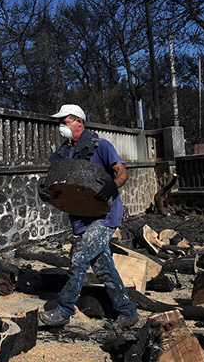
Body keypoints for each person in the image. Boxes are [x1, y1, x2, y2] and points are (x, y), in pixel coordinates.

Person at [38, 104, 139, 329]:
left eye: (64, 122)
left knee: (79, 255)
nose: (61, 127)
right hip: (81, 218)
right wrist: (46, 190)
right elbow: (59, 187)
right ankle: (128, 312)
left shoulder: (101, 145)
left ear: (79, 122)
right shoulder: (65, 154)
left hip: (105, 215)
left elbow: (123, 172)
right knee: (104, 267)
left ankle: (65, 309)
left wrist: (112, 186)